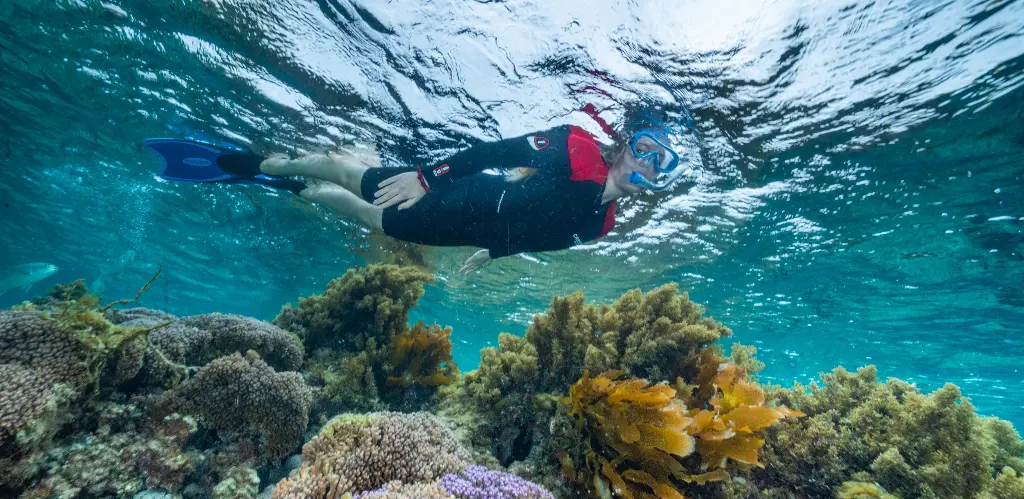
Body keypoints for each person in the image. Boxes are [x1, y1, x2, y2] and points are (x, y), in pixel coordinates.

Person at [142, 124, 687, 273]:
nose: (647, 163)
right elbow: (489, 151)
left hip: (461, 233)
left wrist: (492, 252)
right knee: (348, 172)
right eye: (645, 148)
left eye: (663, 163)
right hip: (457, 191)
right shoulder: (577, 148)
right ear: (627, 143)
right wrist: (427, 176)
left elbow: (543, 236)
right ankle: (264, 163)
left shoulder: (605, 223)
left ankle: (287, 185)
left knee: (365, 216)